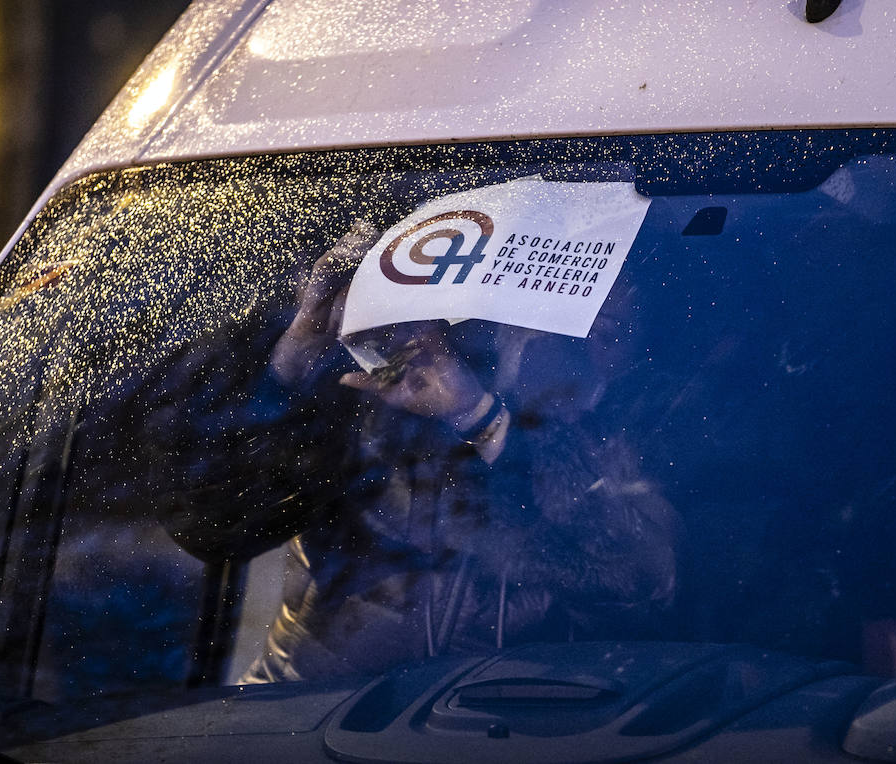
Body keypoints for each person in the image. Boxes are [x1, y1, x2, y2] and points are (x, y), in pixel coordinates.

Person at [135, 223, 678, 681]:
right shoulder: (373, 397)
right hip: (312, 714)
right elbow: (214, 525)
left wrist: (481, 417)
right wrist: (294, 358)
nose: (586, 340)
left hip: (527, 726)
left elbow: (639, 584)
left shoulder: (633, 427)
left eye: (607, 322)